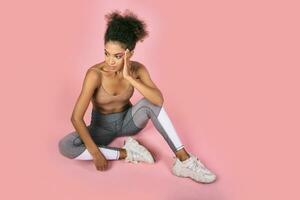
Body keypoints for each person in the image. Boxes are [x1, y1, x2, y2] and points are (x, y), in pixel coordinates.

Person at [58, 9, 217, 184]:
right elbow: (76, 118)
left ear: (129, 53)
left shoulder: (138, 69)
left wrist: (129, 78)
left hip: (129, 123)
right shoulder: (95, 74)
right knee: (65, 146)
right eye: (106, 53)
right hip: (101, 129)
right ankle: (128, 152)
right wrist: (96, 153)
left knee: (150, 103)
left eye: (117, 56)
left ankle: (184, 161)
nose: (110, 61)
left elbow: (158, 100)